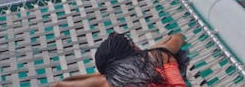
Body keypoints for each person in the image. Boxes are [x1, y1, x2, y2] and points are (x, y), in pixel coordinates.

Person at [51, 31, 187, 87]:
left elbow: (59, 85)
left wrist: (101, 75)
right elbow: (178, 38)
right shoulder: (159, 56)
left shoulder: (106, 82)